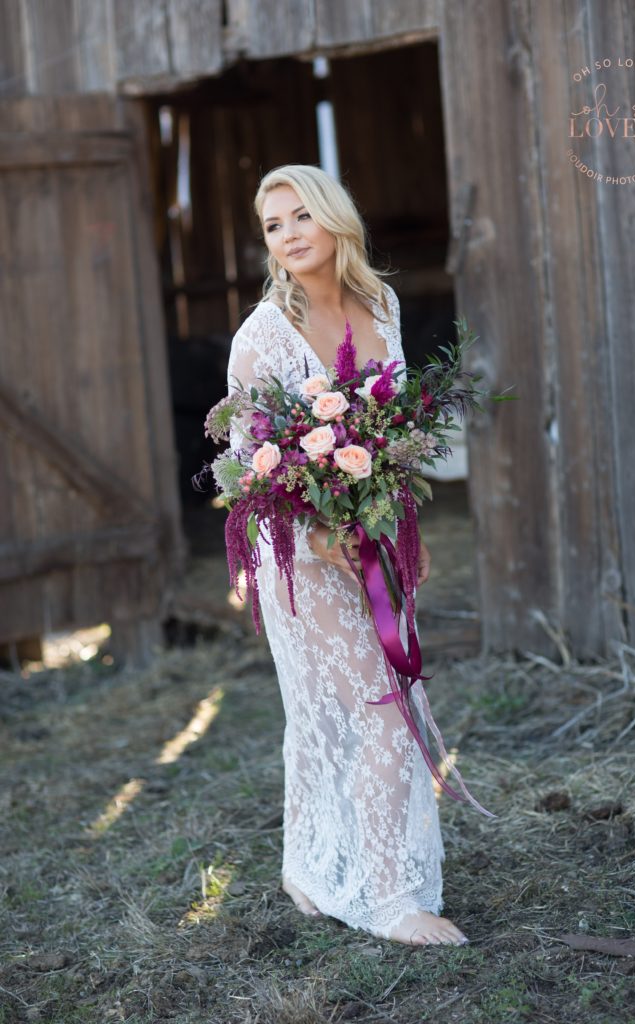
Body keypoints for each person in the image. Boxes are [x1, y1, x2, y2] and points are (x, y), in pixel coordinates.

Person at [226, 164, 469, 946]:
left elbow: (389, 437)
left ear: (335, 220)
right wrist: (319, 529)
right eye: (273, 225)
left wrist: (403, 528)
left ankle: (307, 862)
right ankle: (390, 897)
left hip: (370, 532)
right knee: (374, 705)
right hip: (299, 554)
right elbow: (246, 465)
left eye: (302, 216)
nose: (290, 234)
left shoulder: (381, 302)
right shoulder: (263, 336)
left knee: (333, 710)